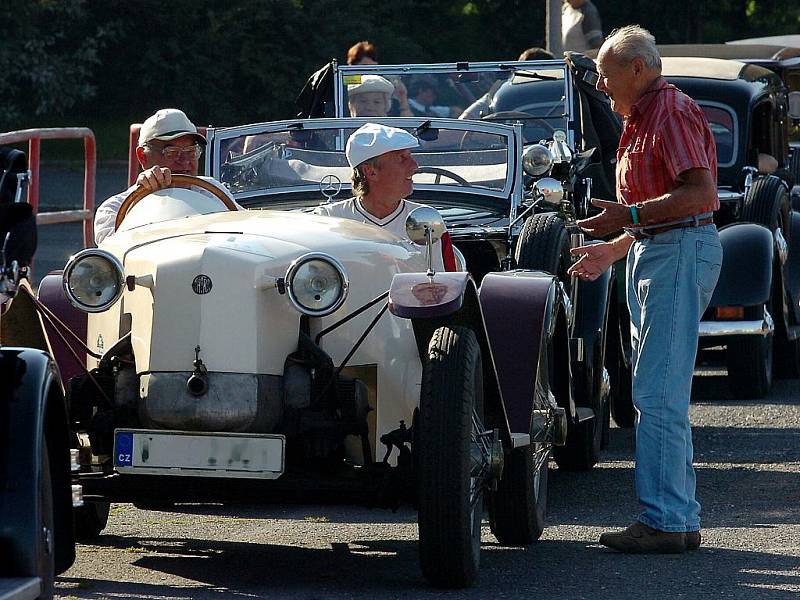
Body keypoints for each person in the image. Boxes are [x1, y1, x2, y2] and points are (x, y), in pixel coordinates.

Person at [568, 25, 722, 553]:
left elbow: (700, 194)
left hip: (675, 251)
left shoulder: (669, 111)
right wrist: (615, 246)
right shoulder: (648, 113)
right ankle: (674, 517)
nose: (603, 87)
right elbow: (670, 203)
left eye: (607, 76)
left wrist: (626, 217)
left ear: (638, 68)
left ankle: (667, 521)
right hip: (661, 249)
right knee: (658, 395)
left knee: (656, 395)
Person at [314, 123, 457, 272]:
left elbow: (446, 286)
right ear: (371, 172)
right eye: (402, 158)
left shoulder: (427, 219)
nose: (414, 166)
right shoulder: (329, 220)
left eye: (410, 156)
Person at [94, 109, 236, 245]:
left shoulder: (214, 191)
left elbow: (245, 229)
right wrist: (142, 198)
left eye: (191, 152)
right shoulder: (113, 210)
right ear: (143, 157)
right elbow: (115, 256)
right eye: (172, 152)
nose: (185, 161)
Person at [347, 75, 412, 117]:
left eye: (377, 102)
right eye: (363, 101)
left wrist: (403, 99)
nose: (369, 107)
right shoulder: (340, 134)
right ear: (351, 105)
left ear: (386, 106)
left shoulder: (393, 135)